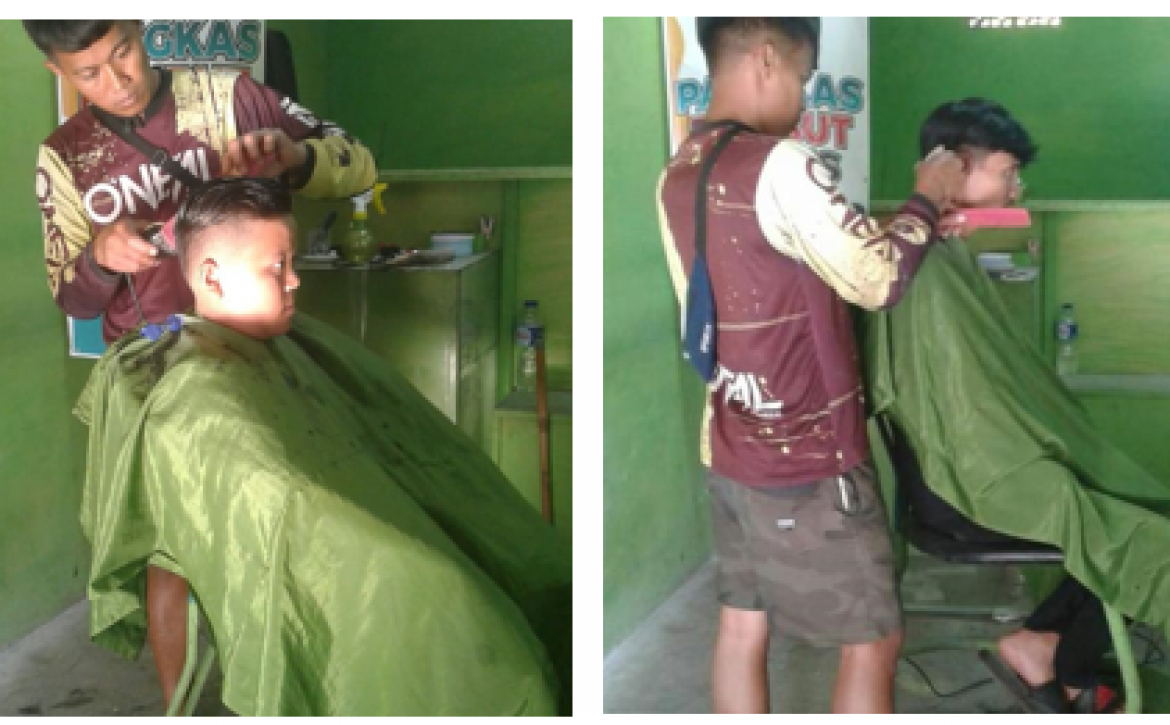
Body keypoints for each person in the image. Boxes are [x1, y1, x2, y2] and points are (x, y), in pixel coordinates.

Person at [74, 177, 570, 715]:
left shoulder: (294, 344)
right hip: (347, 538)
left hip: (374, 504)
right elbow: (284, 508)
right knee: (463, 615)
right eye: (277, 267)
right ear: (212, 276)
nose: (295, 281)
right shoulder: (195, 391)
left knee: (514, 563)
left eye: (291, 263)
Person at [24, 19, 376, 709]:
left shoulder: (232, 97)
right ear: (56, 71)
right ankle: (180, 708)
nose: (118, 81)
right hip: (157, 380)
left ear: (137, 28)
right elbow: (70, 292)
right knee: (172, 555)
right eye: (89, 72)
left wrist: (295, 158)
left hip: (253, 361)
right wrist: (100, 257)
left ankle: (289, 689)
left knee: (275, 533)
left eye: (123, 52)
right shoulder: (64, 157)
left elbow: (357, 161)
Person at [655, 18, 964, 713]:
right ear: (767, 59)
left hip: (729, 443)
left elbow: (745, 281)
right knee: (874, 637)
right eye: (800, 78)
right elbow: (877, 279)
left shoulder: (679, 171)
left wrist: (900, 229)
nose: (801, 100)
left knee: (742, 625)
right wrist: (925, 198)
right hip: (808, 457)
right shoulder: (781, 163)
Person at [866, 97, 1170, 714]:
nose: (1015, 187)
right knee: (1137, 531)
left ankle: (1043, 643)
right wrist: (1052, 450)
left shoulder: (933, 250)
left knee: (1129, 516)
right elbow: (964, 416)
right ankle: (1064, 660)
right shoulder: (926, 269)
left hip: (969, 467)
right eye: (1006, 172)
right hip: (970, 484)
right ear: (953, 165)